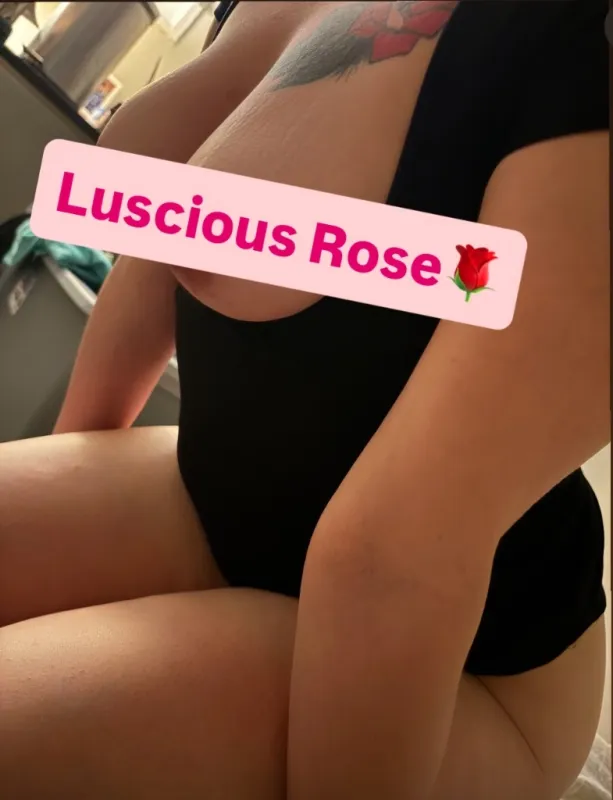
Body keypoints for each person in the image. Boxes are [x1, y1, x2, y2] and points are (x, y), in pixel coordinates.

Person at [0, 2, 609, 798]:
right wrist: (73, 490)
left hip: (458, 665)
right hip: (218, 496)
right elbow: (165, 245)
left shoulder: (574, 45)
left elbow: (396, 554)